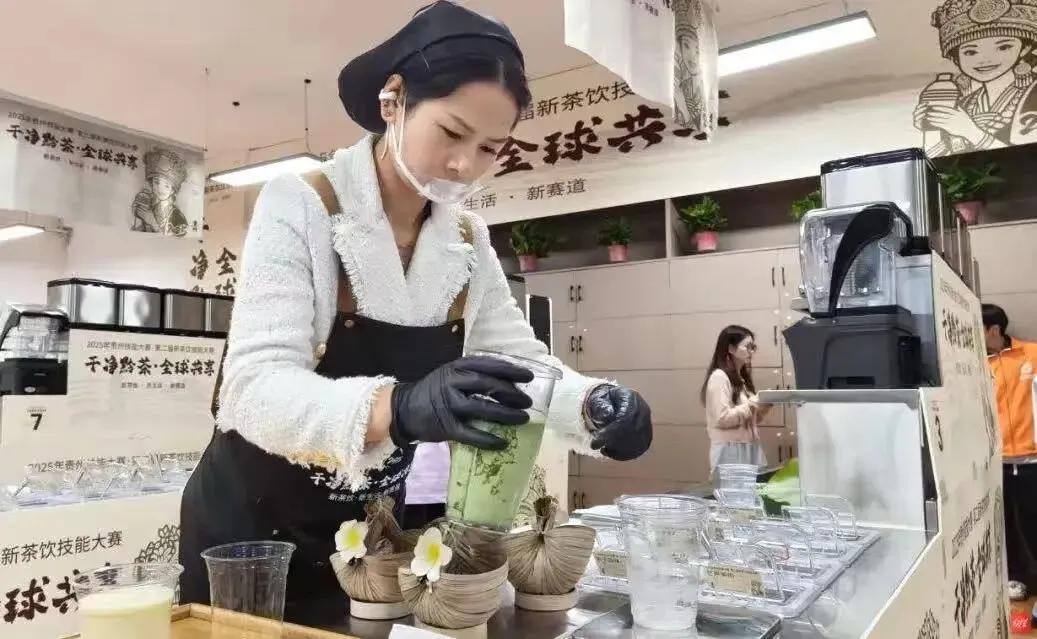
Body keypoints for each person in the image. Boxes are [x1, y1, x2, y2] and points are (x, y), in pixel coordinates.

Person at [177, 1, 653, 626]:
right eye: (452, 133)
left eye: (490, 148)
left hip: (373, 540)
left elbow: (516, 363)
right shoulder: (301, 205)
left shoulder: (466, 241)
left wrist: (591, 406)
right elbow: (253, 390)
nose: (465, 165)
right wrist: (397, 408)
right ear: (393, 101)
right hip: (250, 537)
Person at [983, 303, 1037, 601]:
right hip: (998, 463)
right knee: (1005, 526)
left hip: (1033, 460)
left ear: (994, 330)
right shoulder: (977, 365)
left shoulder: (1032, 354)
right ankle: (1015, 578)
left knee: (1033, 522)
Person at [701, 325, 771, 479]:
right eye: (747, 347)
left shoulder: (741, 379)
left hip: (749, 446)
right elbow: (722, 419)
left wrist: (764, 406)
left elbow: (748, 419)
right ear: (731, 348)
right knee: (733, 492)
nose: (751, 352)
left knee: (756, 489)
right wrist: (753, 404)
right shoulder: (719, 377)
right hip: (730, 450)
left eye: (753, 347)